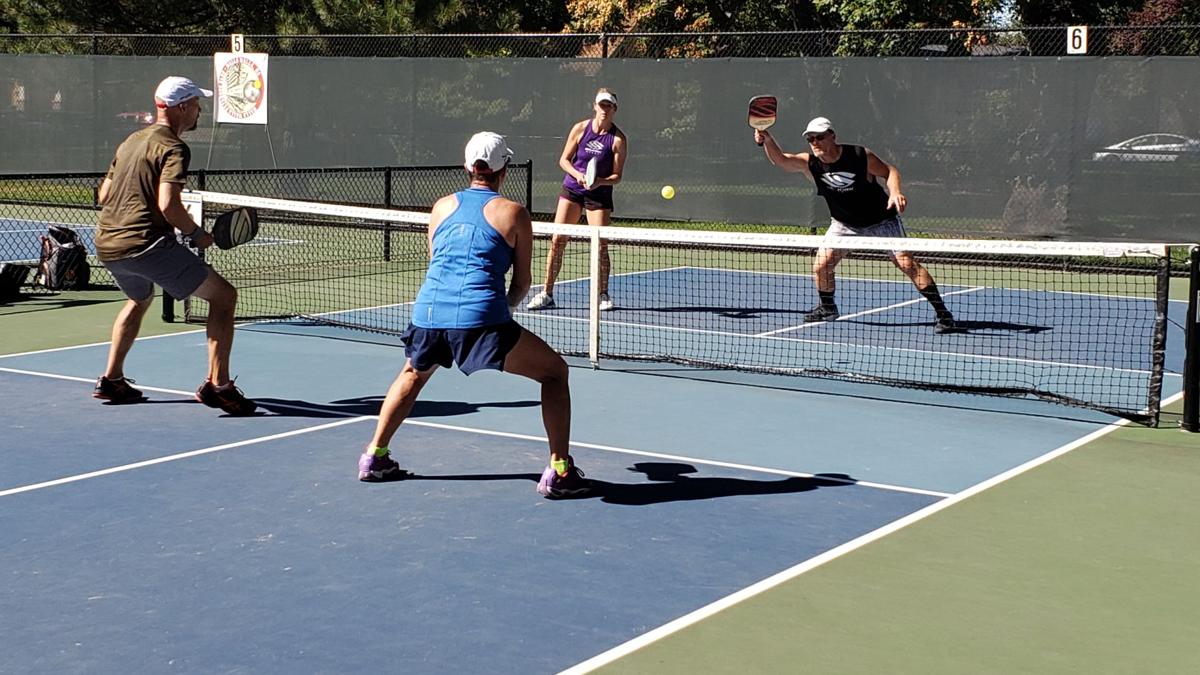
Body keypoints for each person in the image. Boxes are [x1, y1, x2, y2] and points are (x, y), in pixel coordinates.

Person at [358, 131, 590, 499]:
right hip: (482, 318)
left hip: (428, 311)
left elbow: (436, 261)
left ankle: (375, 456)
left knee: (412, 374)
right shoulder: (514, 213)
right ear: (504, 169)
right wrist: (502, 313)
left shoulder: (440, 206)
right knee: (555, 373)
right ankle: (560, 469)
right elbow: (522, 282)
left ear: (468, 167)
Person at [92, 76, 257, 414]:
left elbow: (104, 194)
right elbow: (168, 204)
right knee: (224, 297)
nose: (200, 110)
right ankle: (220, 387)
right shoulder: (173, 147)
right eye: (196, 103)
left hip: (108, 243)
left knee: (139, 298)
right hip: (145, 244)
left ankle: (112, 379)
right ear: (182, 107)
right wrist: (198, 234)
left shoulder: (131, 141)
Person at [756, 116, 960, 334]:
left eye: (819, 137)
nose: (815, 142)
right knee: (821, 267)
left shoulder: (860, 156)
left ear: (832, 136)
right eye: (810, 139)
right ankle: (828, 307)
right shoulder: (810, 163)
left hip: (882, 220)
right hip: (844, 224)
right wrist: (767, 140)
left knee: (907, 264)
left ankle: (944, 314)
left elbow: (890, 171)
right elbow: (781, 160)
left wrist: (896, 192)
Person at [526, 88, 627, 312]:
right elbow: (564, 160)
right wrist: (578, 175)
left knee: (600, 244)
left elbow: (617, 176)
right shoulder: (580, 129)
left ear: (614, 109)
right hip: (572, 189)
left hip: (598, 194)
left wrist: (599, 181)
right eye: (601, 105)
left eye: (608, 106)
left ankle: (603, 294)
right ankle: (547, 293)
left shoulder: (618, 140)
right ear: (595, 106)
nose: (604, 109)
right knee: (557, 240)